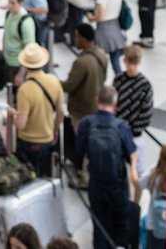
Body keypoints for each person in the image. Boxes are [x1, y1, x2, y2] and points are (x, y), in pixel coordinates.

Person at [76, 86, 139, 249]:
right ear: (115, 104)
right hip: (117, 185)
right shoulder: (121, 126)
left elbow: (79, 149)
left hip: (96, 183)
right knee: (121, 224)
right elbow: (129, 154)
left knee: (99, 225)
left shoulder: (86, 123)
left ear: (97, 101)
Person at [8, 43, 64, 178]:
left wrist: (13, 113)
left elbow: (21, 123)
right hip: (47, 138)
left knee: (29, 178)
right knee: (45, 174)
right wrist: (54, 129)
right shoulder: (54, 81)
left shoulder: (25, 89)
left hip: (28, 141)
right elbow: (60, 112)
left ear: (25, 65)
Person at [62, 23, 109, 175]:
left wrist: (52, 82)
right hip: (95, 106)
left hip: (81, 110)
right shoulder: (102, 55)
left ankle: (84, 173)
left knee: (84, 142)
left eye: (77, 36)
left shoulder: (81, 62)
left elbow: (69, 86)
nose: (75, 39)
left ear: (83, 38)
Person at [114, 45, 153, 167]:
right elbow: (112, 103)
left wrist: (131, 129)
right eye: (128, 62)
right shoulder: (118, 79)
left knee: (137, 170)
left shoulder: (145, 85)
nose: (131, 66)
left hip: (134, 136)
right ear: (124, 60)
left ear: (139, 63)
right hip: (118, 132)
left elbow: (147, 114)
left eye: (134, 63)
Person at [90, 0, 126, 74]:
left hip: (104, 29)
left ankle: (98, 83)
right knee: (115, 60)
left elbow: (100, 17)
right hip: (115, 26)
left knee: (98, 59)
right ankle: (120, 82)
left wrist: (92, 18)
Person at [3, 0, 39, 89]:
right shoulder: (9, 15)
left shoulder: (26, 22)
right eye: (9, 2)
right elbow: (6, 34)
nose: (10, 6)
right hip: (8, 62)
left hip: (18, 64)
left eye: (13, 3)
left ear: (20, 3)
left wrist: (21, 73)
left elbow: (29, 49)